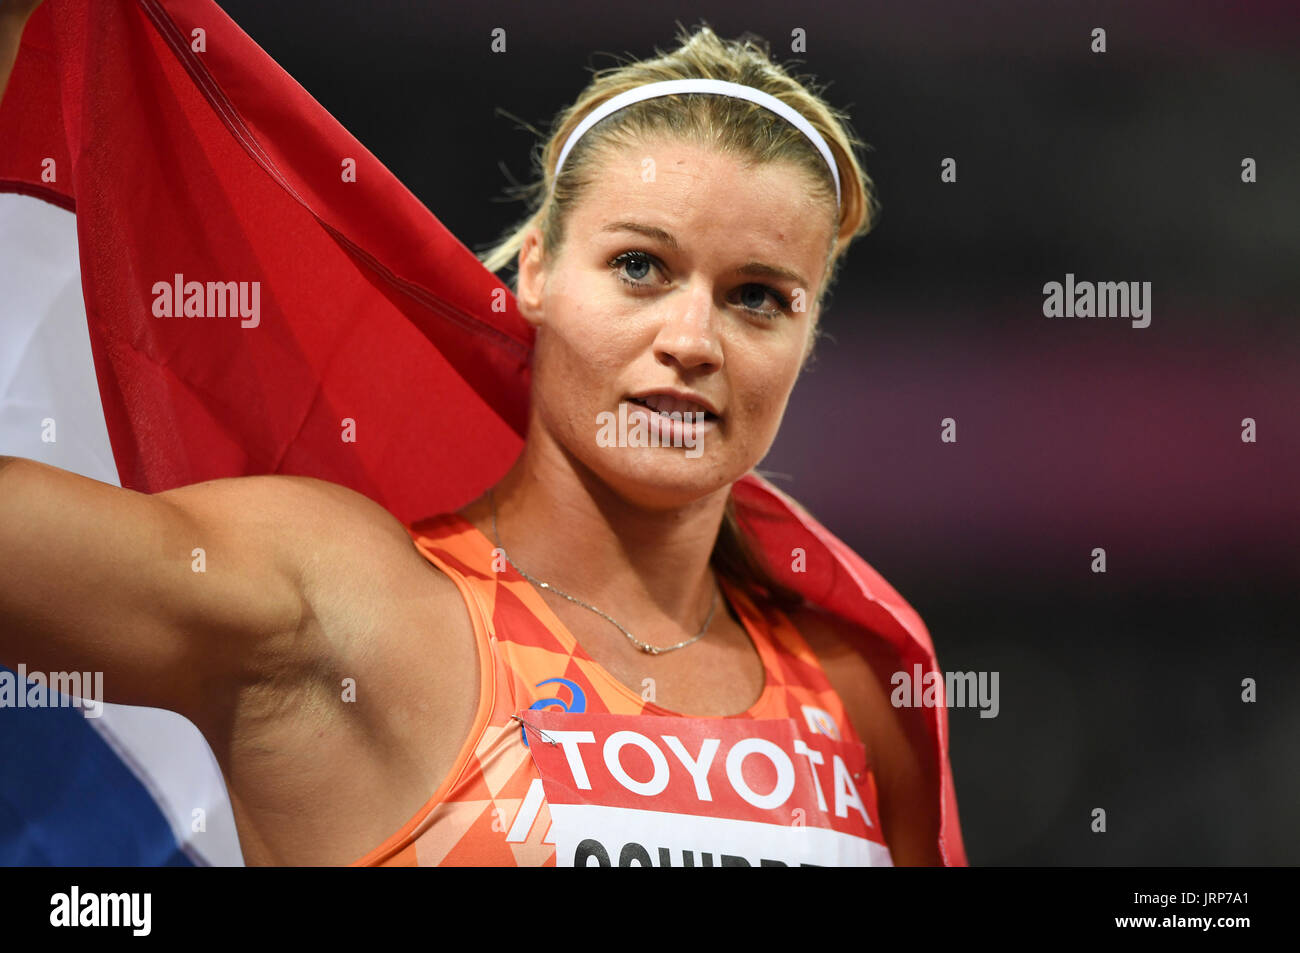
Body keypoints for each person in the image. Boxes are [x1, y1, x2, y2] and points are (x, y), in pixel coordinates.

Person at [0, 6, 950, 865]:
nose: (692, 342)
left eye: (757, 298)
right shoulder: (344, 610)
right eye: (639, 266)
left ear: (808, 331)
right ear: (536, 272)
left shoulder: (856, 695)